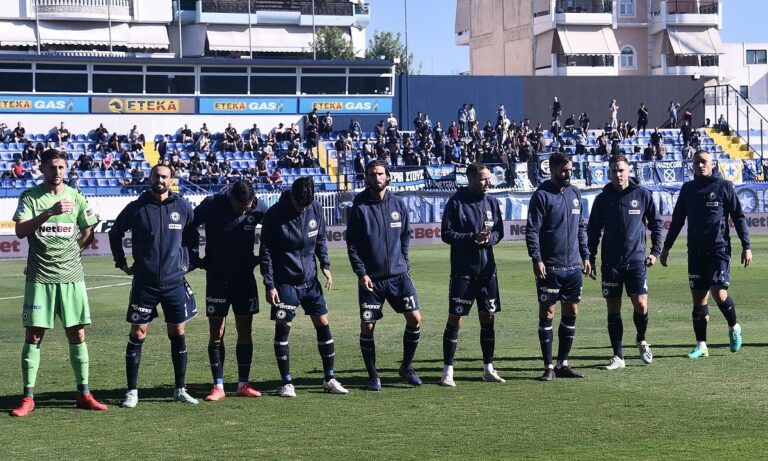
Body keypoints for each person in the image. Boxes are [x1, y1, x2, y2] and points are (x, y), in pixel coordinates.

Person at [10, 148, 107, 417]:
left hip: (71, 277)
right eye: (52, 167)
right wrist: (49, 212)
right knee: (34, 336)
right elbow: (20, 231)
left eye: (61, 167)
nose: (57, 172)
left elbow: (88, 230)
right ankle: (28, 398)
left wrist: (75, 251)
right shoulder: (30, 197)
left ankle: (84, 394)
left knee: (77, 334)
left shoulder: (76, 196)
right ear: (42, 168)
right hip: (40, 278)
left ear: (66, 168)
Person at [108, 164, 199, 407]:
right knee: (138, 333)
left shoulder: (182, 207)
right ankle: (132, 391)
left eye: (164, 177)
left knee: (177, 333)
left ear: (171, 180)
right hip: (145, 283)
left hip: (174, 283)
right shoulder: (136, 207)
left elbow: (192, 234)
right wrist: (120, 262)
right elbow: (115, 233)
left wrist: (189, 261)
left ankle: (180, 389)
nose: (160, 180)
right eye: (156, 176)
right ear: (150, 178)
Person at [259, 177, 348, 397]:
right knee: (283, 328)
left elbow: (321, 239)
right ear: (292, 196)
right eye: (300, 204)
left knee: (323, 323)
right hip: (285, 284)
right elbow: (265, 252)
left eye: (306, 205)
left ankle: (329, 378)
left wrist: (325, 265)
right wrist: (269, 284)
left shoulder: (315, 208)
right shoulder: (274, 215)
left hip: (310, 282)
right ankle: (287, 383)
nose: (302, 208)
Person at [660, 150, 752, 359]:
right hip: (695, 251)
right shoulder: (688, 189)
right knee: (699, 298)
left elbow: (738, 217)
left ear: (712, 164)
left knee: (719, 293)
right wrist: (666, 247)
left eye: (703, 162)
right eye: (696, 163)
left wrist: (746, 246)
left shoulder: (724, 186)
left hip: (719, 249)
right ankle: (701, 345)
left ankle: (734, 326)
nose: (700, 166)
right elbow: (677, 219)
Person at [187, 180, 267, 401]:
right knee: (216, 333)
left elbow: (273, 228)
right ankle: (218, 386)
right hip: (217, 278)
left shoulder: (258, 207)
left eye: (247, 207)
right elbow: (189, 225)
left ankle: (243, 384)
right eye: (240, 207)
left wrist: (261, 257)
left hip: (244, 279)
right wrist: (195, 256)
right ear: (231, 198)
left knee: (245, 330)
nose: (244, 211)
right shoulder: (212, 204)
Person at [347, 160, 422, 391]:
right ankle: (373, 376)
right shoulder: (359, 207)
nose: (376, 178)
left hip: (399, 276)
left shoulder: (398, 204)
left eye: (380, 173)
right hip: (372, 279)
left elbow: (405, 235)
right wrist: (361, 273)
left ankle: (406, 367)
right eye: (372, 174)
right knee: (368, 326)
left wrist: (404, 262)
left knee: (415, 318)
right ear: (367, 178)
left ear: (388, 176)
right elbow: (352, 245)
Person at [587, 155, 663, 370]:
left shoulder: (642, 195)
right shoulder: (603, 199)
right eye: (614, 171)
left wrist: (655, 252)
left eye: (621, 170)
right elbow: (593, 231)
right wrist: (590, 257)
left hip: (636, 261)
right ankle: (618, 356)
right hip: (610, 263)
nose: (618, 174)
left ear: (628, 171)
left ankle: (641, 339)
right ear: (609, 173)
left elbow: (656, 224)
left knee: (641, 304)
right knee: (613, 308)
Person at [526, 152, 591, 381]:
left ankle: (563, 363)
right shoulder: (541, 195)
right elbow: (532, 230)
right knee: (548, 313)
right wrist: (537, 259)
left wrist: (586, 255)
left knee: (571, 311)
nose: (568, 173)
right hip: (550, 267)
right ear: (552, 170)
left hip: (573, 267)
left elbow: (581, 228)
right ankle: (548, 366)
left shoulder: (575, 193)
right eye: (564, 170)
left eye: (570, 169)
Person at [439, 163, 505, 387]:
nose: (488, 183)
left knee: (488, 318)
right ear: (471, 179)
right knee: (455, 319)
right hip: (463, 272)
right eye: (483, 179)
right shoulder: (456, 202)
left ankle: (488, 368)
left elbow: (499, 231)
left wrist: (489, 239)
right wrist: (471, 238)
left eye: (488, 178)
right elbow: (446, 234)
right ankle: (447, 371)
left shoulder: (492, 201)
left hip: (487, 272)